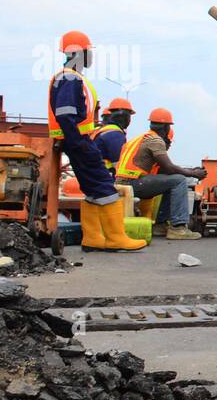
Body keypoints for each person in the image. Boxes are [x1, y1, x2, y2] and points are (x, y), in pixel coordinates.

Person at [47, 31, 146, 252]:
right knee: (105, 187)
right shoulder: (70, 78)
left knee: (93, 190)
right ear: (78, 53)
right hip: (78, 142)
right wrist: (78, 141)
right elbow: (65, 114)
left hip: (76, 141)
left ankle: (93, 238)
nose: (91, 56)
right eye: (88, 51)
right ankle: (115, 238)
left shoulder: (70, 77)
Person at [115, 107, 206, 240]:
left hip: (123, 183)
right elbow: (169, 167)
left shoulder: (139, 139)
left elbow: (165, 171)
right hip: (132, 183)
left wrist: (190, 171)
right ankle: (178, 228)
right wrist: (193, 173)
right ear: (166, 127)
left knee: (172, 180)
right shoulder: (155, 140)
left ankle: (160, 225)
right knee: (179, 180)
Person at [92, 97, 135, 172]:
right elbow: (119, 164)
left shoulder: (103, 131)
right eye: (129, 116)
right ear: (124, 116)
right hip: (103, 177)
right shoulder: (114, 134)